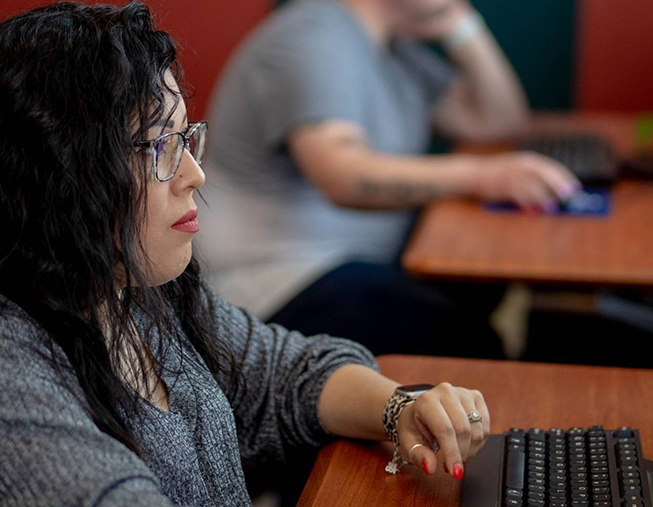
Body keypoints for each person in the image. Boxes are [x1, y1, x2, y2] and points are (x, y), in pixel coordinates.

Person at [0, 3, 490, 507]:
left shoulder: (132, 291)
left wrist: (400, 409)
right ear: (56, 173)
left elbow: (281, 373)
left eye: (185, 138)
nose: (194, 175)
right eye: (157, 147)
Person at [198, 0, 581, 356]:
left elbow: (500, 121)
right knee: (473, 345)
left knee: (484, 285)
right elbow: (343, 176)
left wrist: (461, 25)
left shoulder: (393, 51)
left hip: (358, 258)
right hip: (276, 282)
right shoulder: (311, 36)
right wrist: (482, 176)